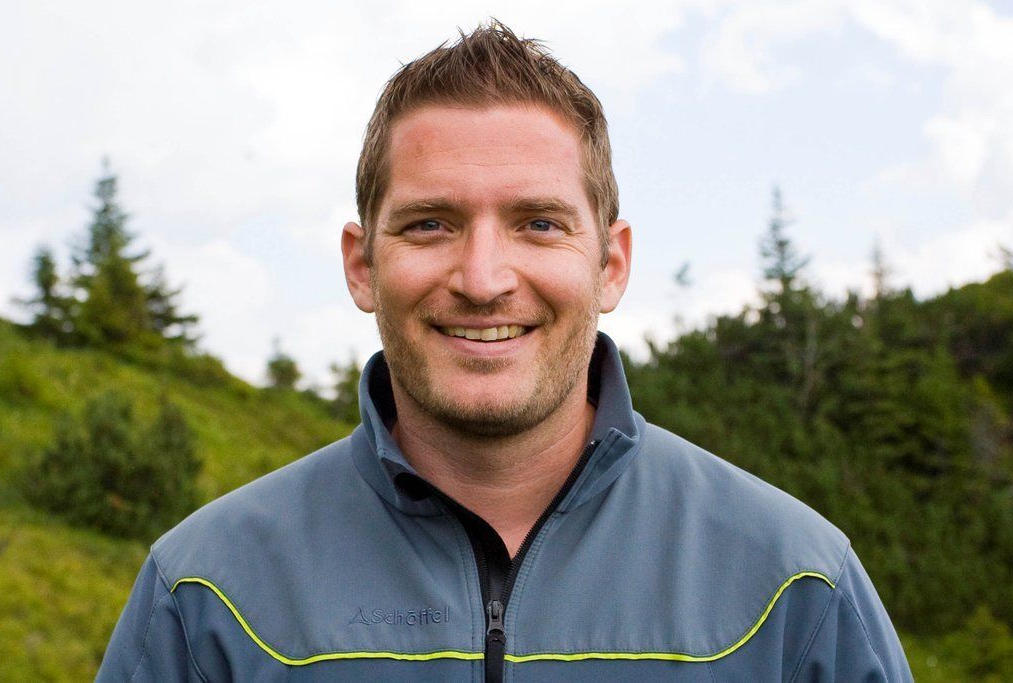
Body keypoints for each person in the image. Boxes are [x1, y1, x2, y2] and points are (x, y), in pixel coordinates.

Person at [98, 21, 913, 682]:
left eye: (539, 223)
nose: (483, 279)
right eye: (430, 224)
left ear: (611, 264)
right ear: (362, 265)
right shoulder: (207, 593)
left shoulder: (794, 588)